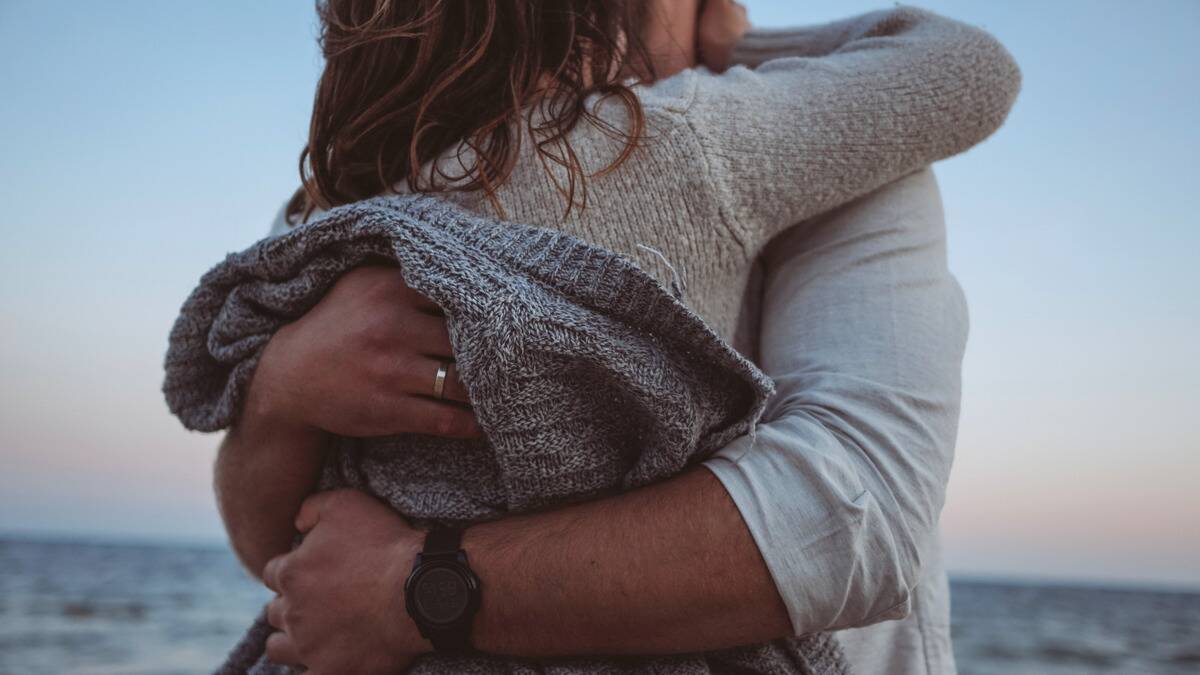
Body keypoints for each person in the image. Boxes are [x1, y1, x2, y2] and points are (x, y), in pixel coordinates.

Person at [215, 1, 1019, 673]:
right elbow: (971, 70)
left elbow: (856, 514)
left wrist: (404, 586)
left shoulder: (338, 213)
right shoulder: (691, 142)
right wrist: (283, 389)